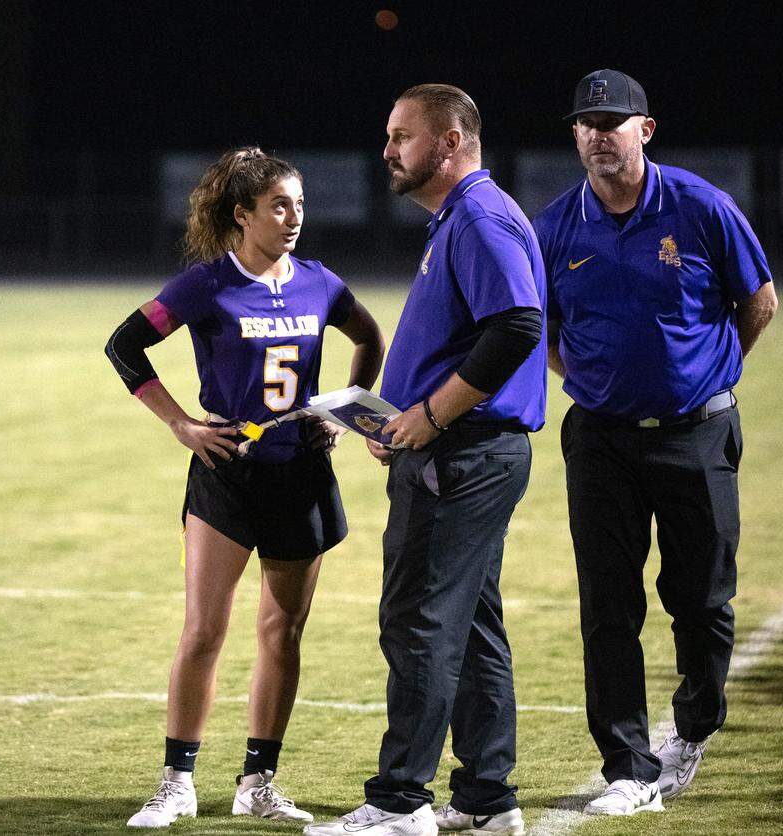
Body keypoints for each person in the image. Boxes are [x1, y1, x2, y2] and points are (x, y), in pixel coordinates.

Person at [104, 147, 385, 828]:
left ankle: (257, 781)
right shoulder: (206, 285)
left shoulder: (320, 283)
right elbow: (124, 346)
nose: (293, 218)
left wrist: (344, 413)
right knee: (204, 629)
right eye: (279, 206)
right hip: (227, 475)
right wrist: (182, 425)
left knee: (282, 632)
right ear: (242, 214)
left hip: (301, 477)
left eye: (299, 205)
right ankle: (177, 782)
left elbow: (370, 337)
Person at [532, 69, 778, 816]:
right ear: (575, 134)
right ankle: (627, 768)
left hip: (697, 434)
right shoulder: (554, 225)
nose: (599, 134)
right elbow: (536, 323)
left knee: (701, 601)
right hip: (601, 441)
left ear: (645, 129)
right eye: (586, 122)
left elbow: (759, 300)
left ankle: (695, 724)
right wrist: (588, 380)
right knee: (608, 608)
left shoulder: (701, 207)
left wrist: (710, 375)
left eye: (613, 121)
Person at [306, 85, 547, 836]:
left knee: (419, 624)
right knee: (470, 626)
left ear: (448, 142)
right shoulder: (465, 215)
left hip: (462, 457)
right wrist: (396, 417)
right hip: (462, 453)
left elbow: (517, 324)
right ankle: (486, 798)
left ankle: (398, 802)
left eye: (401, 135)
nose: (387, 150)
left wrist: (432, 414)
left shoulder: (476, 214)